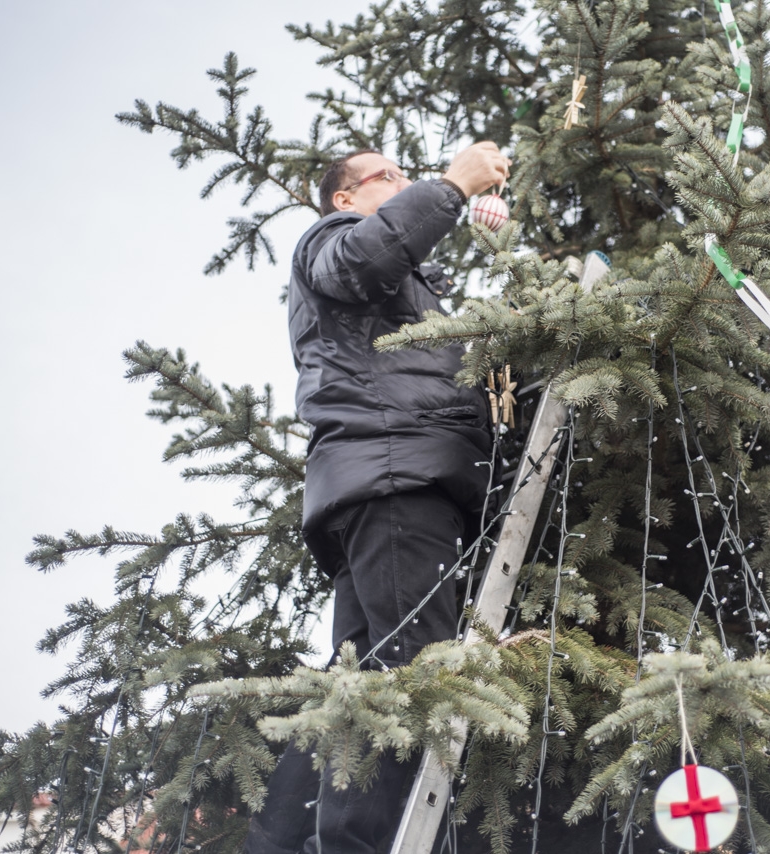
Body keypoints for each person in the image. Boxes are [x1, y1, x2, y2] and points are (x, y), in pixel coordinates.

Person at [243, 143, 512, 854]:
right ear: (344, 198)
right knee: (419, 684)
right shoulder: (330, 244)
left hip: (385, 483)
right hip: (395, 479)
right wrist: (452, 184)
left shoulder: (401, 294)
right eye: (387, 177)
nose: (403, 183)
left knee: (369, 697)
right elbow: (366, 259)